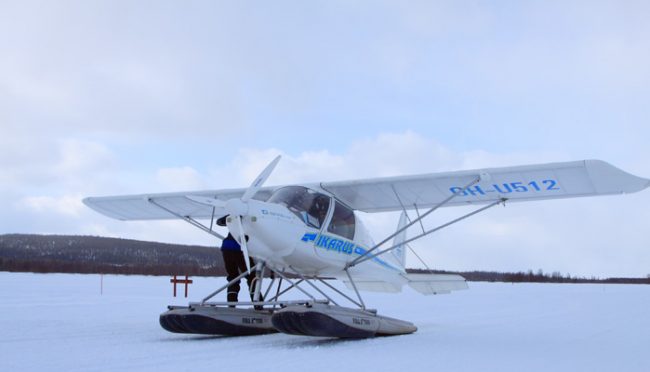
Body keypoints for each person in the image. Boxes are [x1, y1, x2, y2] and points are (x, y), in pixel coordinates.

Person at [217, 216, 262, 306]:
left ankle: (231, 303)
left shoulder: (235, 217)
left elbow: (219, 222)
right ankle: (258, 304)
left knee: (233, 276)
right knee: (251, 276)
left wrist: (229, 217)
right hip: (240, 249)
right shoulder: (249, 218)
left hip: (226, 248)